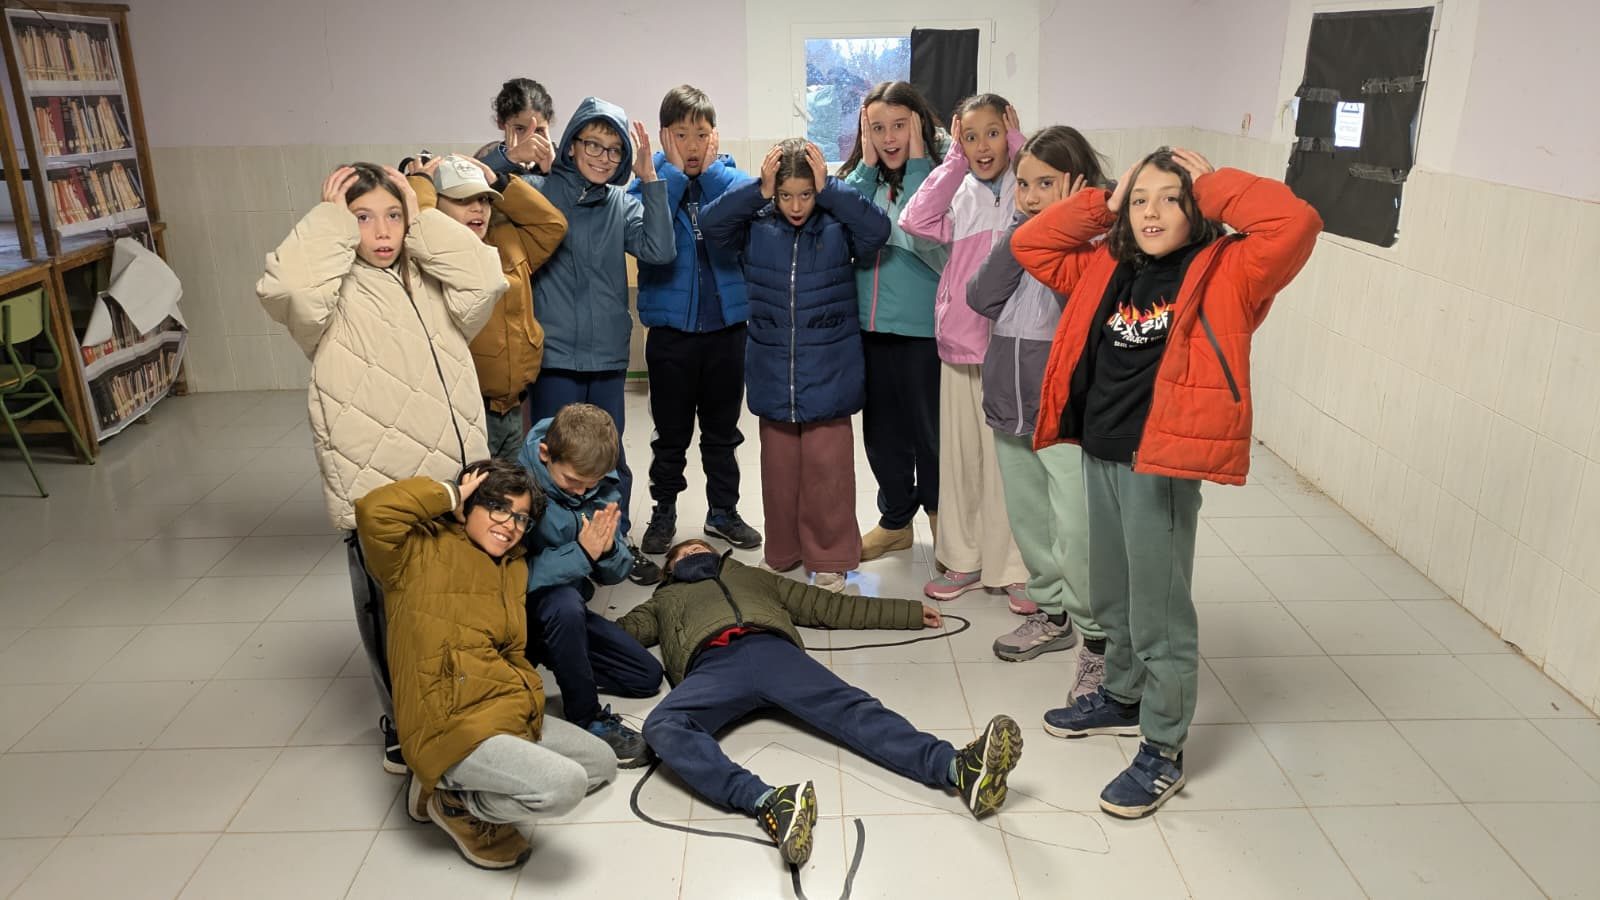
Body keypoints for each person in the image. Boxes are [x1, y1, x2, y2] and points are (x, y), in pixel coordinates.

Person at [1013, 147, 1321, 817]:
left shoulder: (1229, 269)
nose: (1151, 212)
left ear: (1198, 209)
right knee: (1112, 591)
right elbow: (1031, 243)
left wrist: (1211, 184)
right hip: (1100, 450)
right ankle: (1122, 695)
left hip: (1161, 462)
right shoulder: (1107, 263)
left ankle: (1162, 748)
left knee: (1159, 610)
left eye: (1171, 198)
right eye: (1140, 199)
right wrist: (1105, 202)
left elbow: (1295, 223)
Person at [257, 162, 505, 775]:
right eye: (363, 218)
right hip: (380, 486)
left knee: (450, 601)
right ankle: (400, 720)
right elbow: (287, 291)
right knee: (390, 612)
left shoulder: (430, 276)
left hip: (452, 476)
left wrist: (423, 218)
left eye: (393, 215)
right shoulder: (329, 295)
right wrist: (329, 224)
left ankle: (454, 702)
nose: (383, 231)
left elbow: (487, 278)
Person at [623, 539, 1024, 865]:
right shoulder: (663, 600)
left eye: (700, 547)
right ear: (670, 569)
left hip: (773, 653)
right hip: (711, 668)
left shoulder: (751, 576)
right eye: (683, 553)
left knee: (854, 709)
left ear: (719, 555)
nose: (694, 552)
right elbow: (619, 637)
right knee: (662, 725)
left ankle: (958, 768)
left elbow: (827, 606)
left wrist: (904, 612)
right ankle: (769, 802)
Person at [355, 461, 616, 870]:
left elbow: (511, 650)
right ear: (468, 505)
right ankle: (456, 803)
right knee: (565, 787)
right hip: (448, 722)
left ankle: (456, 788)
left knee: (602, 763)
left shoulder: (512, 566)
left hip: (504, 710)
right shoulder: (416, 551)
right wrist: (449, 493)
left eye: (521, 518)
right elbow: (373, 512)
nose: (510, 525)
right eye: (498, 508)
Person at [483, 96, 675, 585]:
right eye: (593, 144)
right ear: (571, 145)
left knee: (609, 460)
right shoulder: (539, 192)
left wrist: (650, 179)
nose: (603, 157)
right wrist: (511, 155)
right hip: (555, 358)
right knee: (551, 463)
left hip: (607, 357)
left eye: (614, 149)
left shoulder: (622, 203)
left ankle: (614, 545)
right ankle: (559, 554)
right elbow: (481, 181)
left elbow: (659, 250)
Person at [699, 139, 890, 591]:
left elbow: (877, 231)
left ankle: (831, 558)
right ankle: (783, 552)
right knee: (779, 473)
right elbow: (711, 224)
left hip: (829, 369)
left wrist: (832, 190)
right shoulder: (757, 224)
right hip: (772, 368)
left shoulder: (836, 223)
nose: (797, 205)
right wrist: (757, 191)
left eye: (806, 194)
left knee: (829, 472)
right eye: (786, 195)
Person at [974, 127, 1112, 703]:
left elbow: (1083, 307)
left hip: (1065, 414)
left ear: (1079, 185)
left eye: (1045, 184)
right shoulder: (1016, 234)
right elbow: (981, 297)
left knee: (1077, 530)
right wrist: (1025, 233)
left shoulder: (1101, 246)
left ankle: (1100, 642)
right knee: (1030, 522)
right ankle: (1052, 616)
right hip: (1011, 404)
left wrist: (1068, 227)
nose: (1030, 196)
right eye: (1023, 184)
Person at [899, 93, 1030, 606]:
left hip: (1015, 345)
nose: (982, 146)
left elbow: (1061, 209)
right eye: (970, 137)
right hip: (960, 343)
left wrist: (1021, 150)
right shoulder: (958, 191)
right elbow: (915, 220)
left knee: (1009, 465)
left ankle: (1015, 568)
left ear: (1010, 132)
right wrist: (953, 161)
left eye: (993, 133)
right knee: (961, 461)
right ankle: (963, 560)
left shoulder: (1026, 188)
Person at [630, 85, 761, 556]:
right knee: (670, 435)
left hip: (727, 332)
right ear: (664, 135)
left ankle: (723, 511)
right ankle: (663, 510)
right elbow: (646, 235)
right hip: (671, 336)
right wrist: (664, 176)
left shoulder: (731, 182)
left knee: (723, 433)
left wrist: (707, 174)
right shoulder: (647, 183)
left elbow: (750, 205)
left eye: (701, 134)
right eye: (680, 134)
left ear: (715, 136)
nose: (691, 145)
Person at [838, 81, 950, 562]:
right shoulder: (863, 179)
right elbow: (843, 226)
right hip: (871, 332)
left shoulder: (944, 178)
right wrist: (865, 168)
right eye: (877, 128)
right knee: (882, 435)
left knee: (930, 435)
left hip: (924, 333)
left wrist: (921, 164)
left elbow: (926, 234)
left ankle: (945, 523)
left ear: (919, 126)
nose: (889, 138)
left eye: (899, 126)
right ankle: (896, 521)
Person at [517, 403, 665, 766]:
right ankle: (586, 717)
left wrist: (608, 549)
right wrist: (582, 552)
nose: (582, 491)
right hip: (521, 614)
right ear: (545, 454)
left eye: (591, 483)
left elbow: (611, 575)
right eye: (572, 481)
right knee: (564, 602)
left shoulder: (599, 483)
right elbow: (511, 577)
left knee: (646, 677)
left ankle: (561, 656)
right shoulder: (516, 488)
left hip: (564, 620)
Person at [407, 154, 567, 459]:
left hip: (513, 407)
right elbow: (419, 229)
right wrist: (420, 189)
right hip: (466, 409)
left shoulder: (505, 238)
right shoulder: (430, 255)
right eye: (462, 199)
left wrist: (502, 183)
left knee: (510, 485)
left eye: (484, 199)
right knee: (470, 486)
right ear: (436, 205)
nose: (478, 207)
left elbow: (552, 225)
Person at [480, 77, 558, 177]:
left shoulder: (564, 160)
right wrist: (511, 158)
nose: (530, 139)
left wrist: (549, 171)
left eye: (538, 130)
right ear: (501, 122)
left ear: (548, 124)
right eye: (520, 129)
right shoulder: (488, 155)